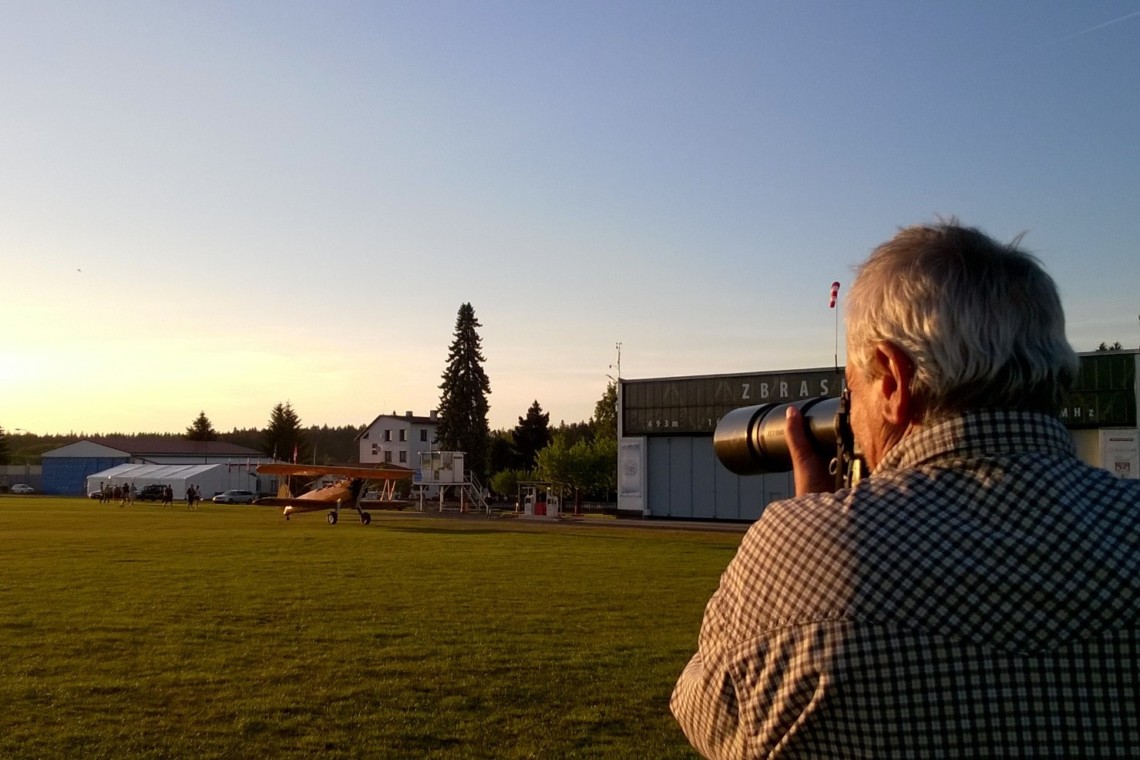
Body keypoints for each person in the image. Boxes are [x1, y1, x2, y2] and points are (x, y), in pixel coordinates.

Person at [671, 220, 1140, 758]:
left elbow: (704, 712)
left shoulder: (795, 547)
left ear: (891, 380)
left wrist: (812, 524)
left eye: (852, 392)